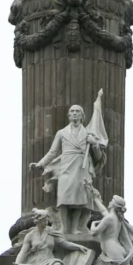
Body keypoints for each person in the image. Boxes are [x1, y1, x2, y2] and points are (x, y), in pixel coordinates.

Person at [31, 96, 107, 235]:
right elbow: (53, 152)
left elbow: (98, 157)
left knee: (79, 198)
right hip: (66, 166)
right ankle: (64, 227)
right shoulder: (62, 133)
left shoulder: (88, 134)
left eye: (77, 111)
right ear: (68, 115)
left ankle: (74, 228)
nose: (74, 113)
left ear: (82, 116)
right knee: (64, 197)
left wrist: (94, 144)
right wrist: (40, 164)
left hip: (81, 167)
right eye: (72, 111)